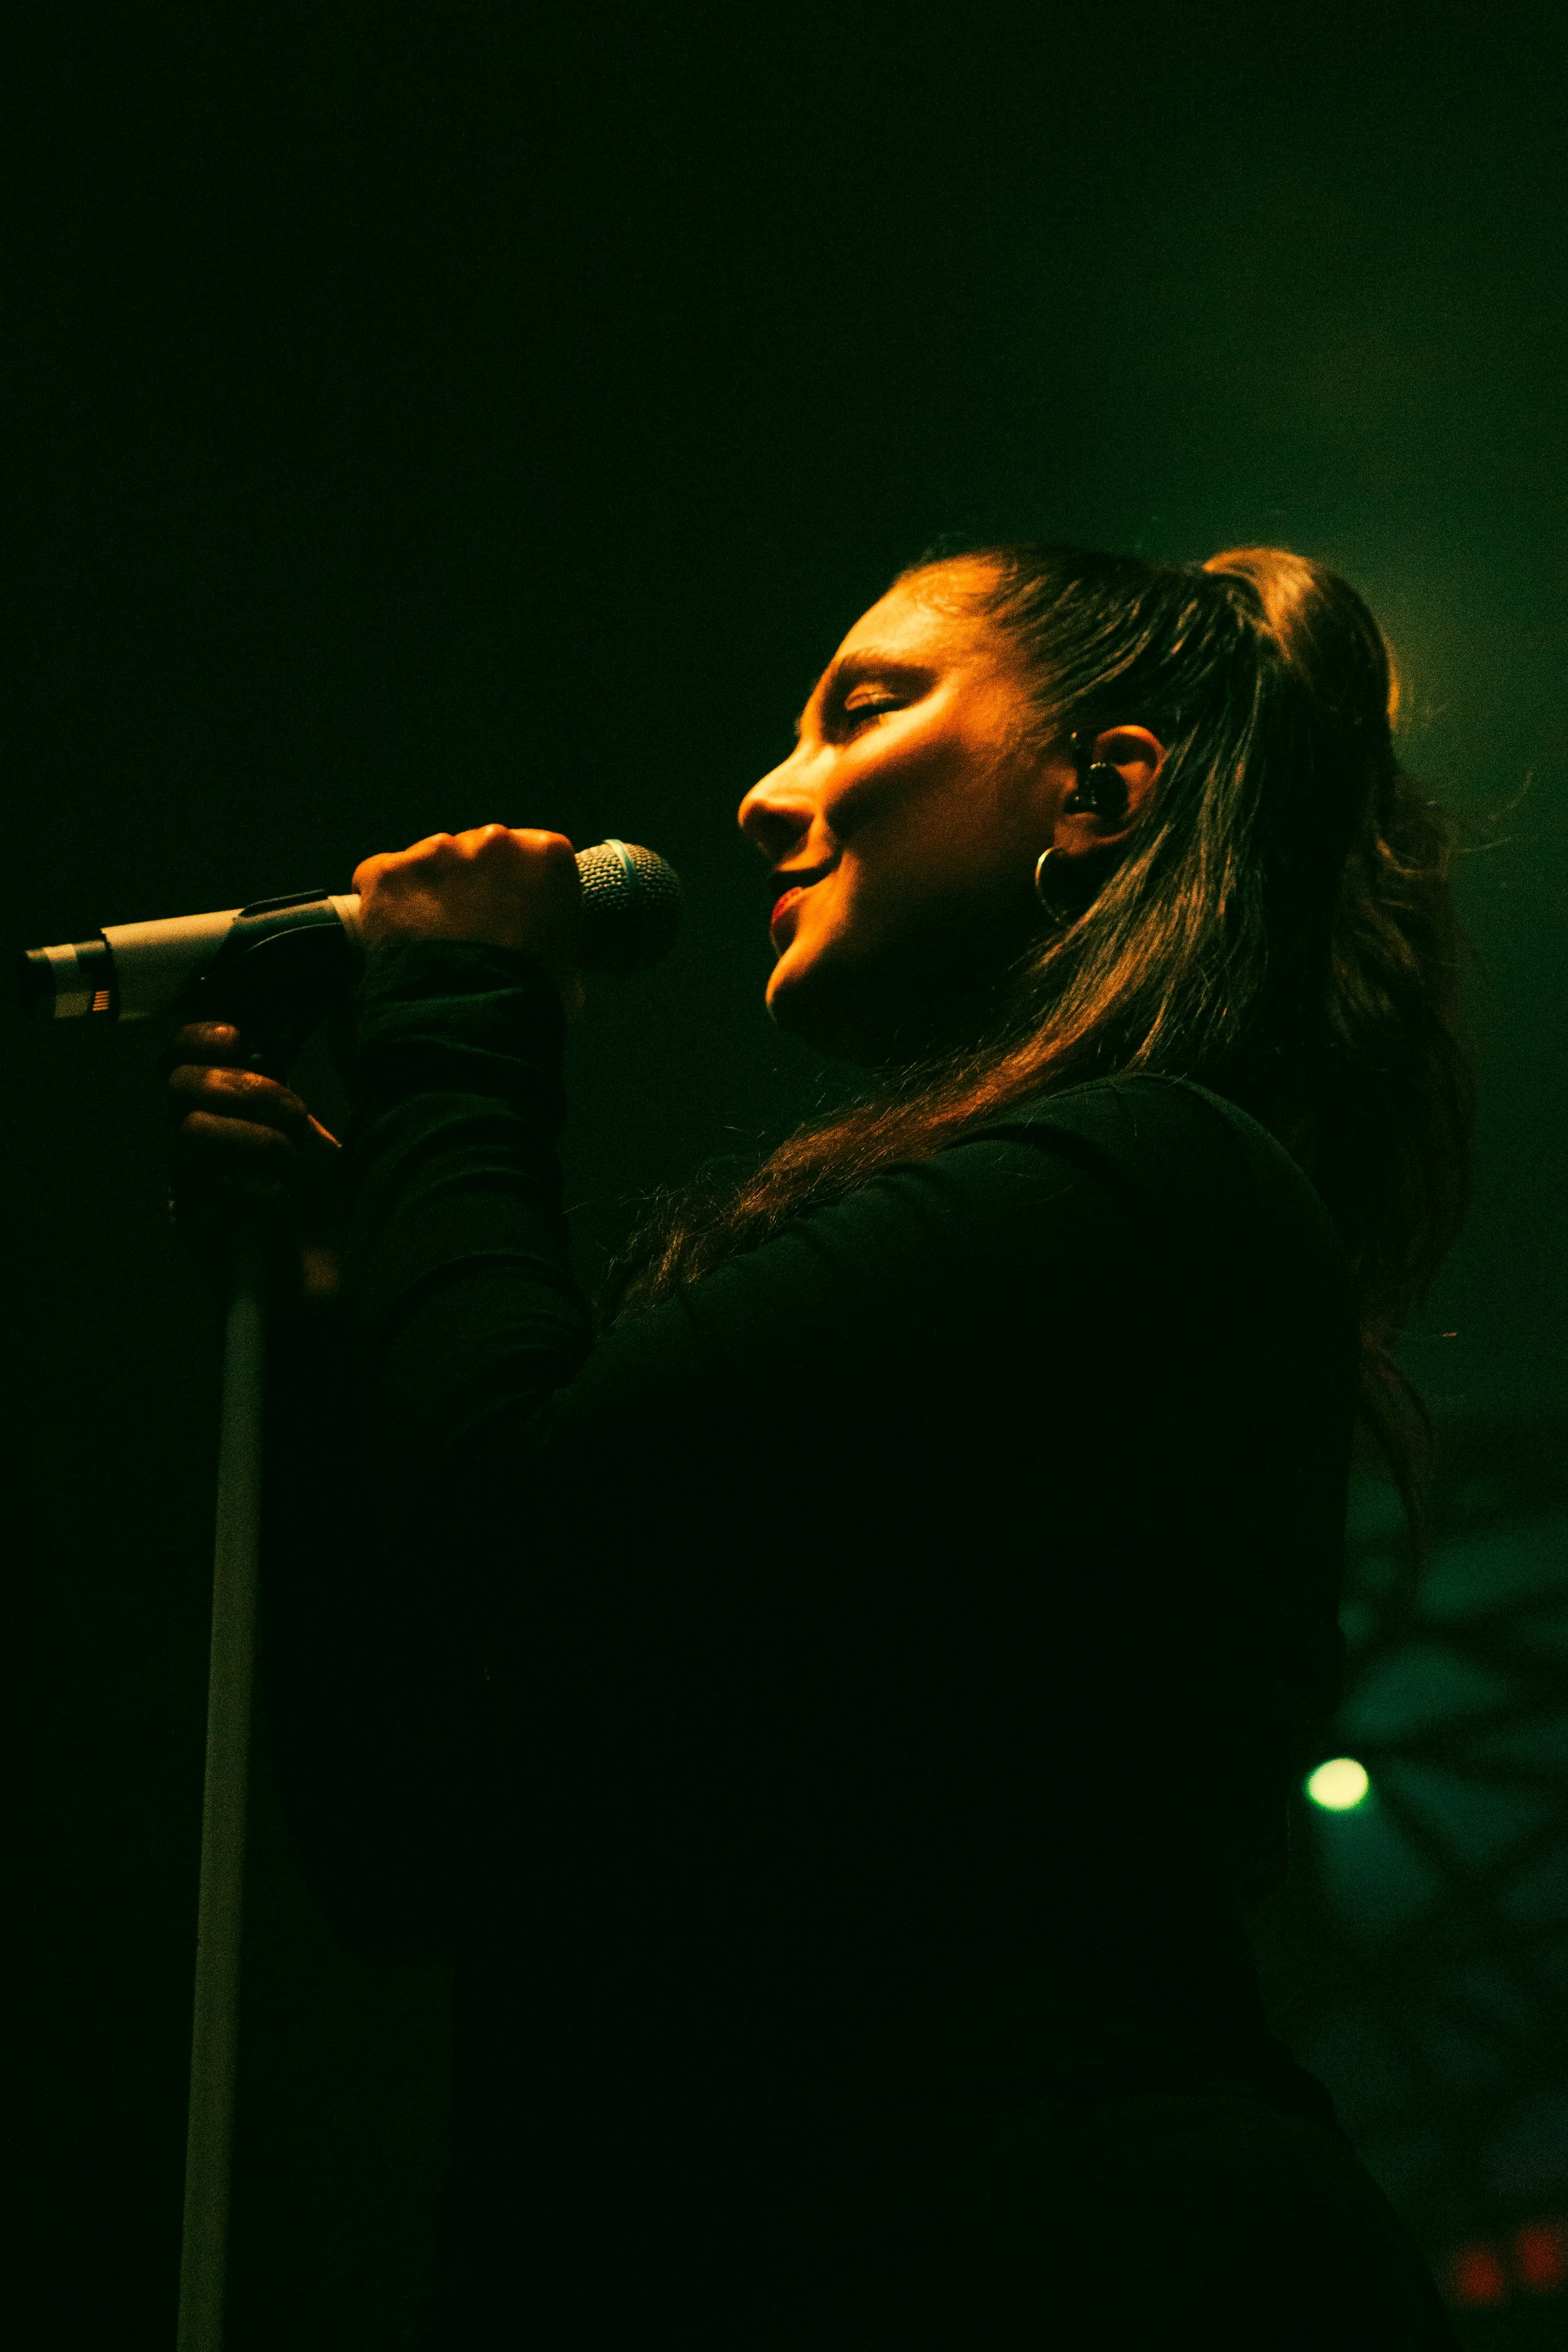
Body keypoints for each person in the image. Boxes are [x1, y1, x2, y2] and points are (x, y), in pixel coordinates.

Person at [169, 543, 1471, 2347]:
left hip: (1034, 2255)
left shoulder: (1139, 1183)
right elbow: (411, 1826)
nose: (766, 796)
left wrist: (462, 1026)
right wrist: (330, 1308)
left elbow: (513, 1518)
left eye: (862, 712)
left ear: (1098, 793)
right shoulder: (1018, 1236)